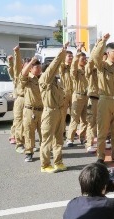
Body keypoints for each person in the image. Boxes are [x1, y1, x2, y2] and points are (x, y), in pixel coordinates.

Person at [92, 33, 114, 164]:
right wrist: (103, 41)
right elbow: (95, 56)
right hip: (105, 100)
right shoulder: (102, 66)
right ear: (107, 53)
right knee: (102, 131)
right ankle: (100, 157)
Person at [39, 42, 69, 173]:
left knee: (59, 138)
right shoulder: (44, 80)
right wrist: (62, 52)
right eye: (53, 70)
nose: (55, 71)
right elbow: (52, 67)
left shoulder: (56, 82)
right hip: (49, 112)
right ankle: (45, 165)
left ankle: (58, 162)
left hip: (59, 112)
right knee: (47, 139)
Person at [18, 56, 43, 162]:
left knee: (44, 131)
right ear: (31, 68)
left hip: (42, 109)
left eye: (39, 67)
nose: (38, 69)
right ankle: (29, 152)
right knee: (29, 132)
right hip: (30, 110)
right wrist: (31, 62)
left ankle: (44, 150)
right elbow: (22, 74)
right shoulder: (27, 78)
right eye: (36, 67)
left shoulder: (43, 78)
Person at [66, 43, 89, 147]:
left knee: (85, 119)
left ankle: (82, 137)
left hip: (86, 96)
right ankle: (70, 139)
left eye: (85, 59)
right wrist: (78, 52)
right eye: (82, 59)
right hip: (78, 96)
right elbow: (73, 66)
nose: (84, 60)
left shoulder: (86, 69)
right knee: (75, 118)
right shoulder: (75, 70)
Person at [84, 41, 100, 154]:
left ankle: (99, 143)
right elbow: (90, 62)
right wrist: (95, 46)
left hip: (103, 99)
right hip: (93, 99)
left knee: (101, 123)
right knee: (91, 122)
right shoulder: (90, 70)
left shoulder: (102, 69)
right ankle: (89, 144)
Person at [59, 51, 74, 138]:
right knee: (63, 114)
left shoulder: (73, 67)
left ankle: (72, 132)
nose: (71, 58)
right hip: (64, 92)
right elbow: (60, 62)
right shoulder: (63, 67)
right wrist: (63, 50)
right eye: (69, 56)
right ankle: (62, 131)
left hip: (74, 92)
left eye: (72, 56)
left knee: (74, 114)